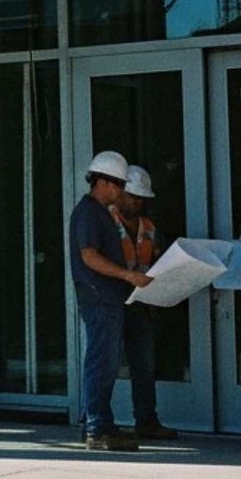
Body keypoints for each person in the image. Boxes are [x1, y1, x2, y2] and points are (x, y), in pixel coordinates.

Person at [71, 151, 154, 451]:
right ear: (102, 182)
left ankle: (98, 424)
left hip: (106, 299)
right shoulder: (89, 213)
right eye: (118, 184)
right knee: (101, 363)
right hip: (99, 298)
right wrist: (127, 276)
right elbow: (89, 256)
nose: (121, 191)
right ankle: (96, 427)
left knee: (104, 363)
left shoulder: (98, 212)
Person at [115, 166, 178, 441]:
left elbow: (160, 261)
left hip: (141, 305)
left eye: (142, 198)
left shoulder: (149, 229)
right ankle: (95, 420)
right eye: (133, 197)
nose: (137, 203)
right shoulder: (105, 222)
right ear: (120, 194)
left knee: (144, 365)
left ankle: (146, 420)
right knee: (105, 363)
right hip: (113, 302)